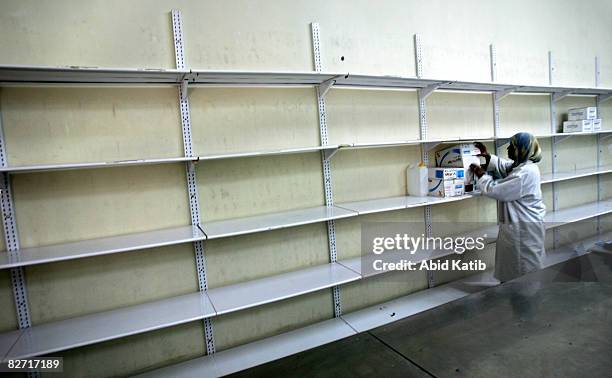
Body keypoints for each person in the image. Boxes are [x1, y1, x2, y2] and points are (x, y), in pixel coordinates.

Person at [470, 133, 546, 282]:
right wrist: (488, 156)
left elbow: (495, 190)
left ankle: (525, 299)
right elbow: (508, 168)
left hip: (523, 230)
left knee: (523, 270)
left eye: (512, 146)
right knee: (516, 267)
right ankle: (520, 294)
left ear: (521, 149)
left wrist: (481, 175)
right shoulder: (524, 167)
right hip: (522, 226)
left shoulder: (525, 173)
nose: (508, 149)